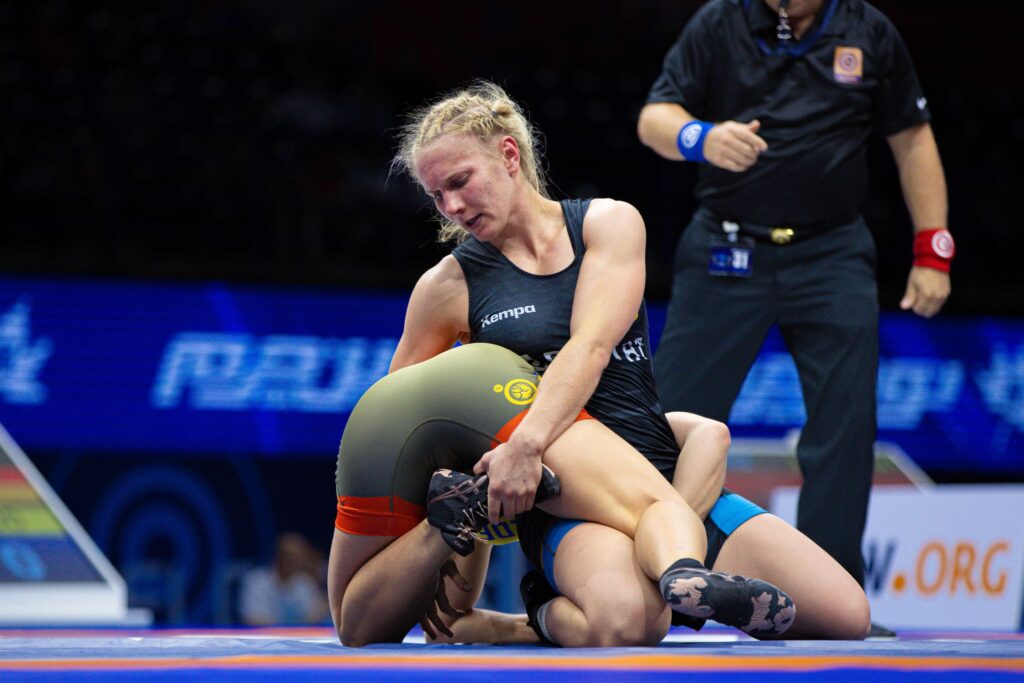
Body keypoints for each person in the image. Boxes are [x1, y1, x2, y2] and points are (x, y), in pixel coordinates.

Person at [380, 80, 867, 646]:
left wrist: (525, 443)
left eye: (460, 182)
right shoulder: (447, 286)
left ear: (509, 154)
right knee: (625, 623)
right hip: (566, 503)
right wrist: (436, 552)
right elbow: (400, 422)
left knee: (845, 616)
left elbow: (589, 346)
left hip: (662, 484)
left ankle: (676, 572)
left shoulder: (608, 224)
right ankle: (542, 612)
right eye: (438, 196)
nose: (453, 208)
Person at [636, 0, 953, 632]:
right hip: (727, 251)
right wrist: (701, 136)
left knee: (844, 428)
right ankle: (649, 582)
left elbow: (912, 139)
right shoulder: (719, 22)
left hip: (831, 253)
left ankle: (829, 599)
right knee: (663, 425)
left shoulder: (869, 30)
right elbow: (654, 119)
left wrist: (933, 249)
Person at [328, 342, 796, 646]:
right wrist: (666, 552)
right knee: (656, 522)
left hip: (386, 426)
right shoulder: (602, 440)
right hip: (483, 400)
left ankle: (445, 524)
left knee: (356, 626)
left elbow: (452, 625)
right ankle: (681, 572)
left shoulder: (595, 457)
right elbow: (700, 449)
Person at [239, 531, 330, 626]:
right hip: (266, 638)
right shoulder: (256, 581)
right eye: (295, 557)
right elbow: (251, 620)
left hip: (297, 638)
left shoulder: (304, 582)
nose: (302, 561)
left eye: (302, 557)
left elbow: (313, 616)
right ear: (282, 557)